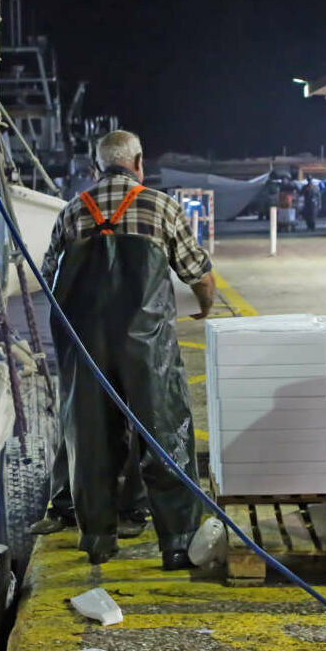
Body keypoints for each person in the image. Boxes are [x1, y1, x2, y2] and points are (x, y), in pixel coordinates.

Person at [41, 129, 216, 569]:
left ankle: (98, 540)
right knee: (164, 433)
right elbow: (199, 273)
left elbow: (48, 276)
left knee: (90, 437)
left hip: (86, 350)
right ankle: (176, 543)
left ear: (98, 166)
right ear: (138, 161)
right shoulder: (161, 206)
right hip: (146, 348)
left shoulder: (72, 212)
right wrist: (205, 307)